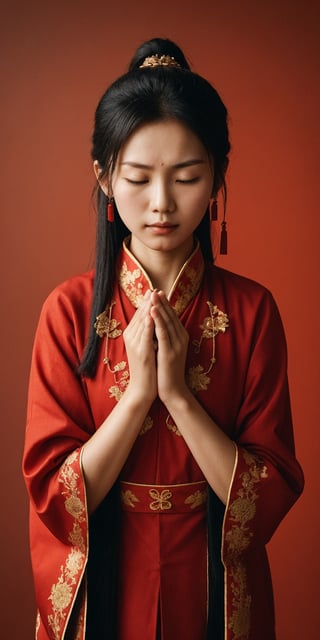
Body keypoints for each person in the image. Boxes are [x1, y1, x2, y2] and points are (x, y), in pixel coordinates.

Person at [23, 37, 304, 640]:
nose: (161, 203)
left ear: (217, 177)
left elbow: (272, 489)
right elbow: (52, 494)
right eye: (138, 177)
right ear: (103, 176)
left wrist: (176, 393)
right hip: (108, 585)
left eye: (186, 177)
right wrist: (135, 398)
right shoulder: (68, 311)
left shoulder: (252, 311)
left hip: (211, 586)